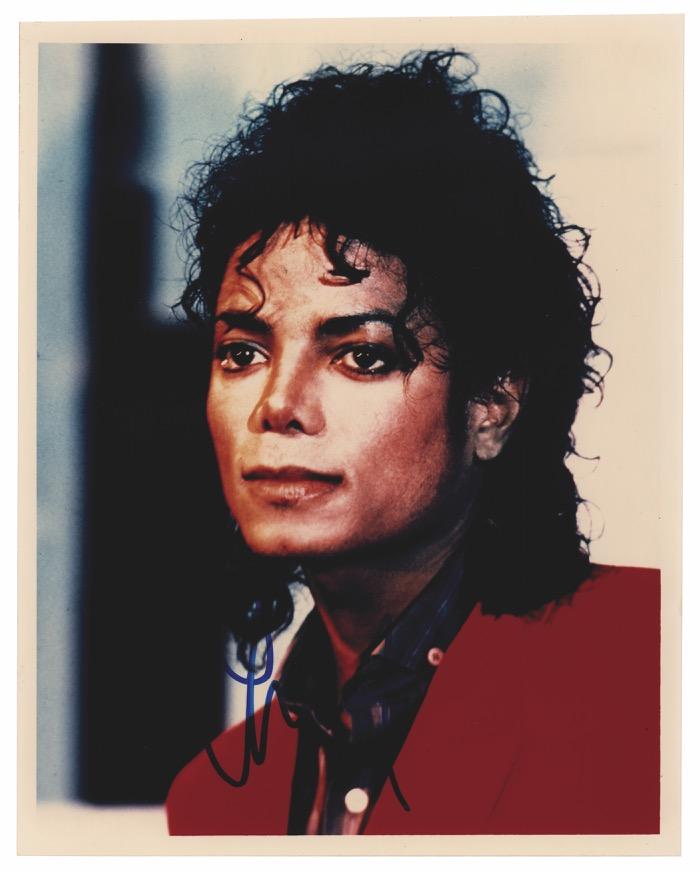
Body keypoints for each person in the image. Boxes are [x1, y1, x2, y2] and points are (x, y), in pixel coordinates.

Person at [165, 50, 659, 836]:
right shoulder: (213, 806)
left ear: (493, 403)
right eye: (243, 353)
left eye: (361, 356)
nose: (278, 405)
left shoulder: (655, 671)